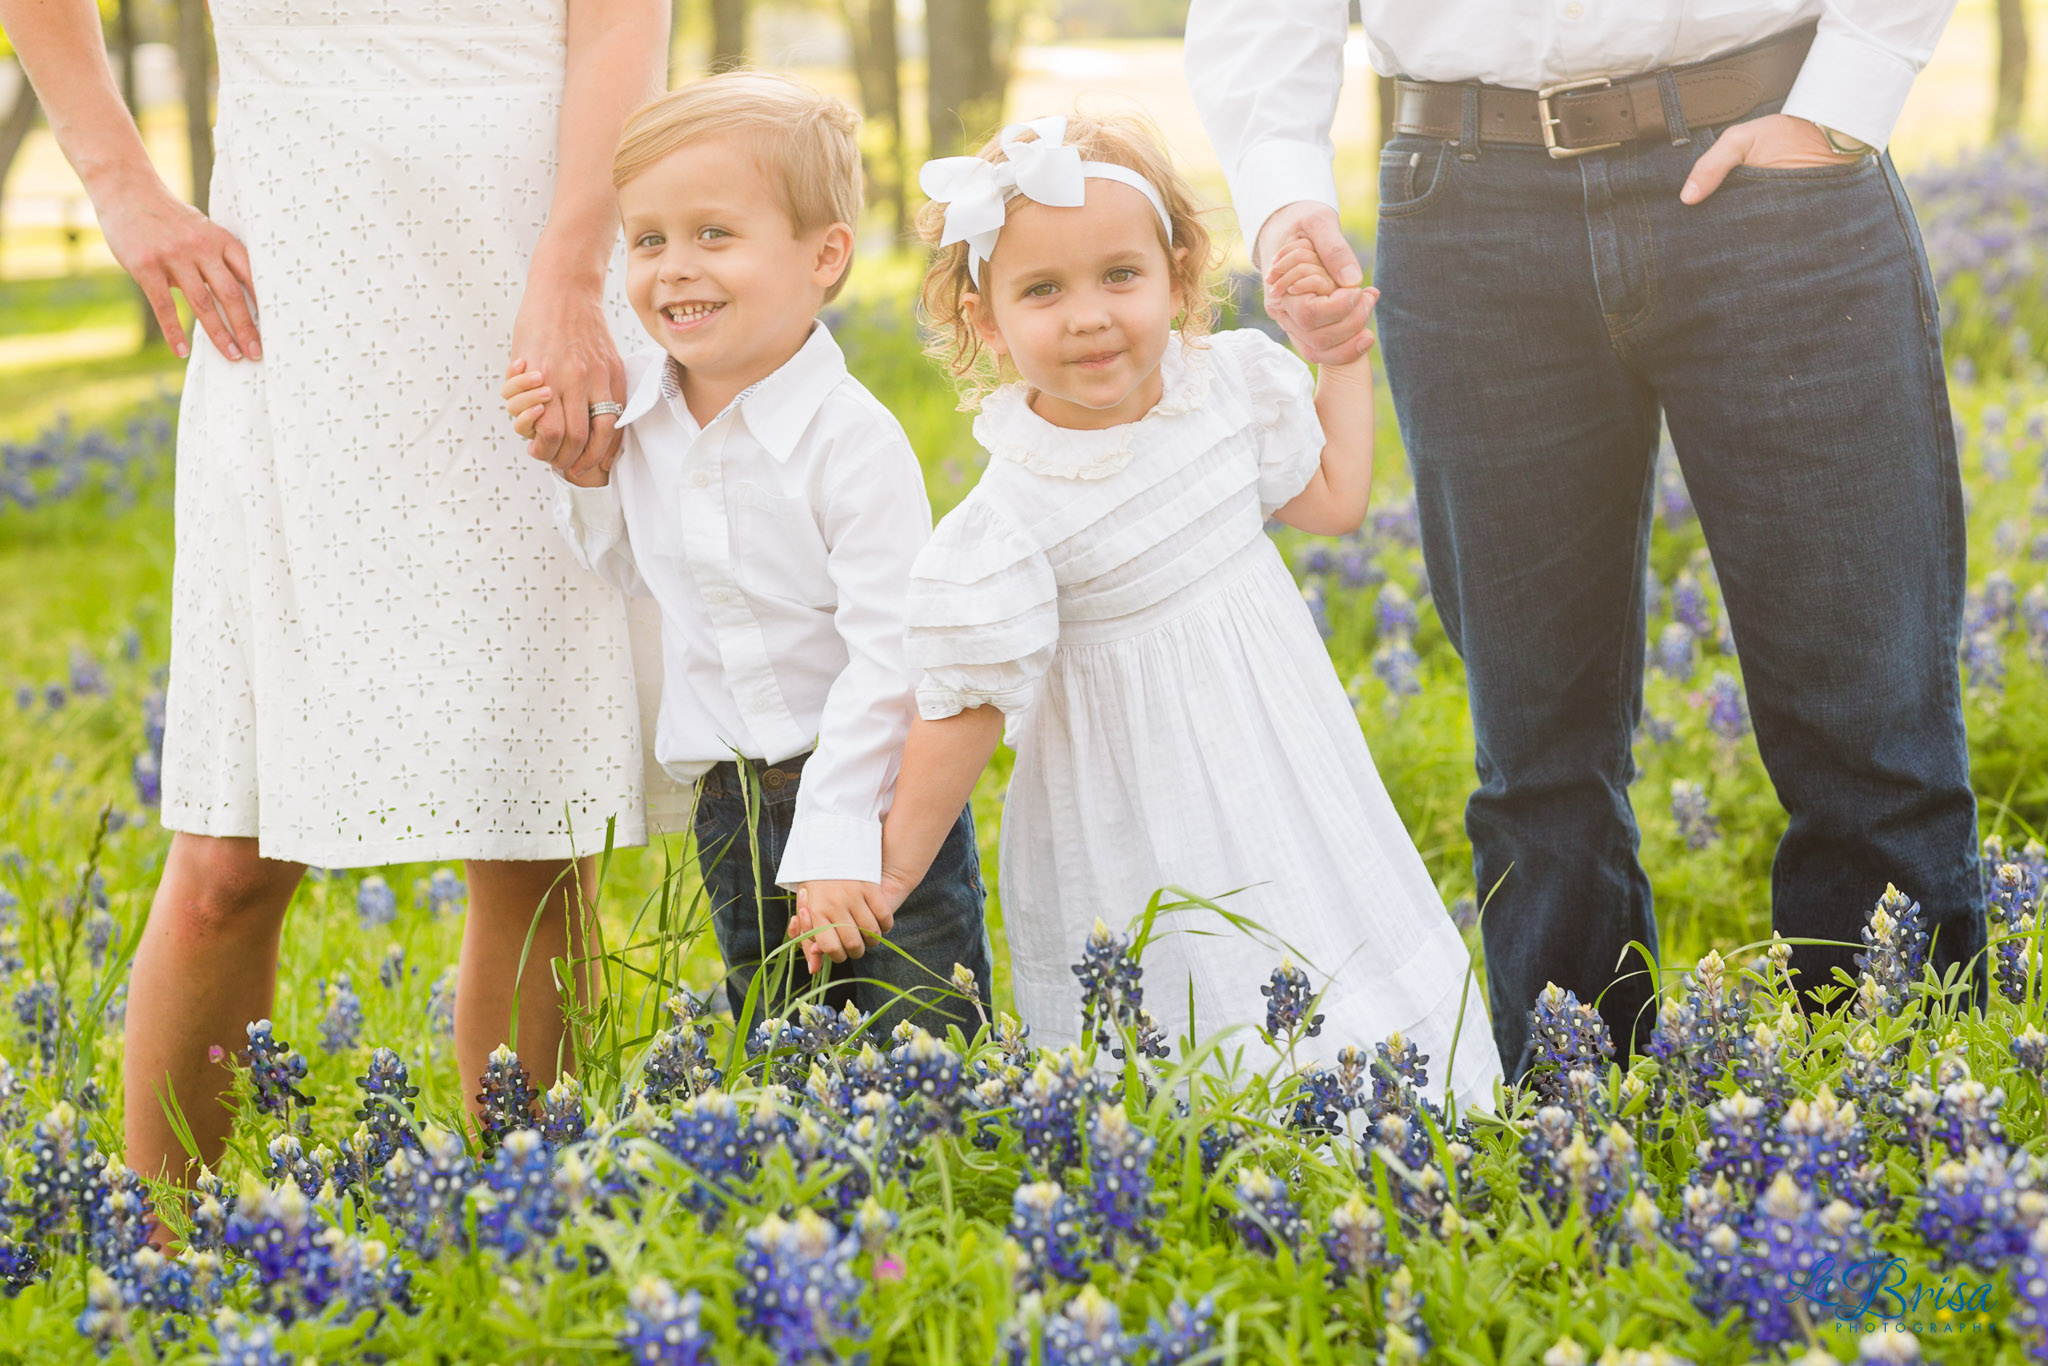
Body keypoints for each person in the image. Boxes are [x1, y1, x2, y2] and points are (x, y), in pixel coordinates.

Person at [1185, 0, 1989, 1082]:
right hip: (1467, 203)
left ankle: (1911, 1126)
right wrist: (1283, 197)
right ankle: (1582, 1151)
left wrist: (1840, 102)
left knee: (1870, 722)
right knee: (1535, 755)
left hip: (1773, 169)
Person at [0, 0, 678, 1186]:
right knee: (230, 852)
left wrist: (574, 274)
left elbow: (620, 25)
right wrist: (124, 189)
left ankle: (522, 1244)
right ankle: (164, 1260)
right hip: (295, 298)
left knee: (536, 828)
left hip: (532, 262)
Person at [857, 110, 1499, 1108]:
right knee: (1174, 993)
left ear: (1178, 272)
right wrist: (887, 874)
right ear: (984, 321)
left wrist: (1338, 358)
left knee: (1316, 916)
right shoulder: (1011, 511)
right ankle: (1212, 1160)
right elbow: (962, 715)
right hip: (1125, 800)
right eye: (1041, 290)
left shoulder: (1227, 388)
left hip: (1277, 751)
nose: (1089, 315)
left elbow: (1331, 502)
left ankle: (1388, 1118)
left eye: (1120, 275)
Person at [505, 74, 994, 1039]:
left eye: (713, 235)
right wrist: (584, 468)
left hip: (875, 787)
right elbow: (625, 573)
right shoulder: (638, 415)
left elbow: (892, 655)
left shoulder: (852, 440)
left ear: (826, 255)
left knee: (922, 1033)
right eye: (648, 241)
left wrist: (842, 834)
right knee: (779, 1043)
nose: (674, 268)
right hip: (731, 801)